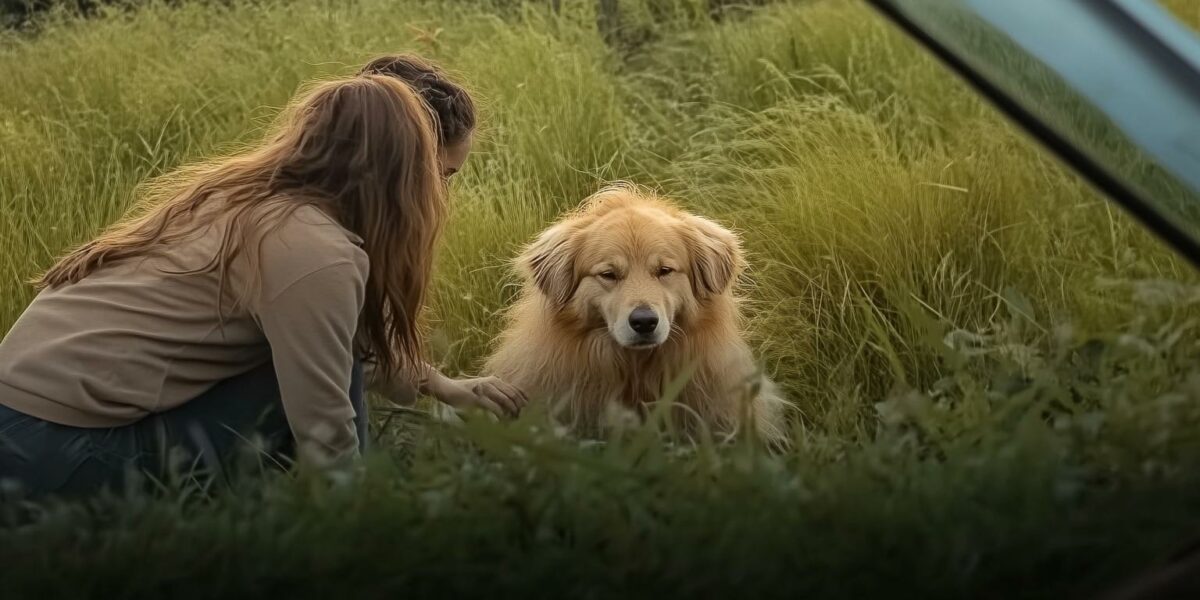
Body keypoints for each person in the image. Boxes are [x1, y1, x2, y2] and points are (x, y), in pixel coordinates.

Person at [0, 55, 526, 498]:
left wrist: (442, 386)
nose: (442, 196)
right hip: (55, 454)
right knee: (328, 369)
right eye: (441, 175)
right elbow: (327, 426)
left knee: (328, 352)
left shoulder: (244, 196)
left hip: (21, 427)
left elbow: (362, 347)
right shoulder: (314, 252)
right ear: (402, 170)